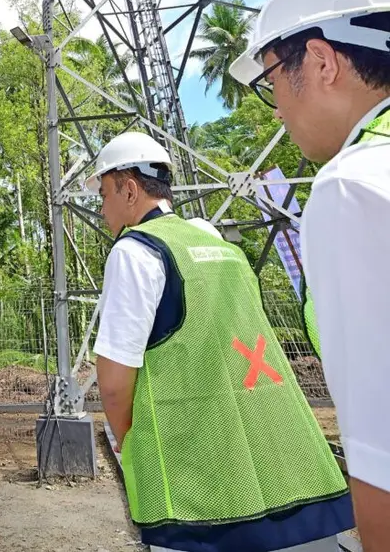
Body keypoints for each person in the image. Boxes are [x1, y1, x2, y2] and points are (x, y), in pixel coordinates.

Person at [89, 131, 353, 552]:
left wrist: (131, 440)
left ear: (130, 188)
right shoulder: (215, 242)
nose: (102, 209)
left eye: (103, 194)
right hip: (290, 463)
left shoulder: (135, 252)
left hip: (199, 489)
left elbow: (115, 382)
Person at [230, 0, 390, 551]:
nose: (277, 108)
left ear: (321, 62)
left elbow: (383, 452)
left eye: (272, 80)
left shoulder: (354, 185)